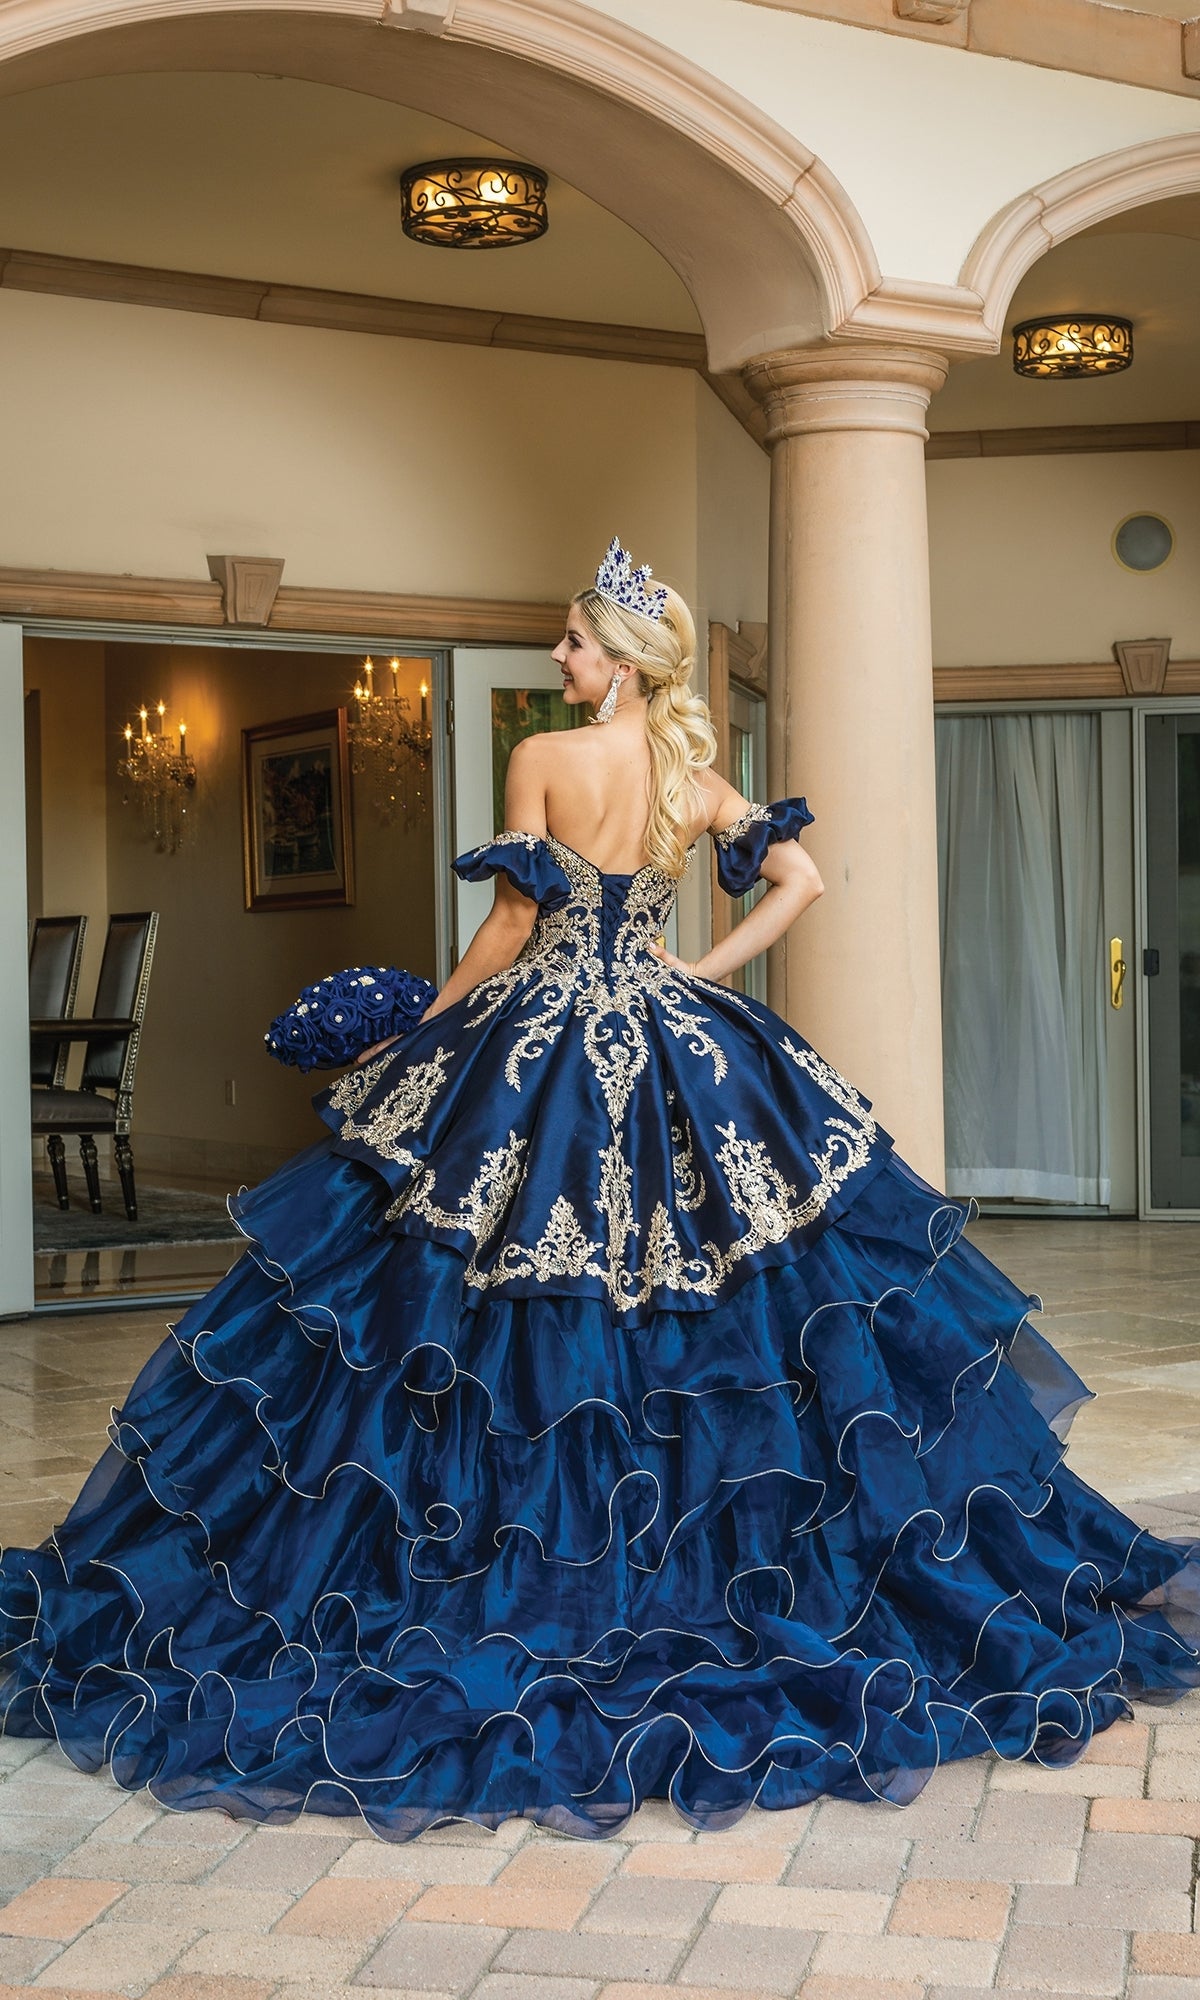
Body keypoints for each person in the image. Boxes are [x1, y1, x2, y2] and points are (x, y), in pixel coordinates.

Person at [2, 537, 1196, 1841]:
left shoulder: (544, 761)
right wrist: (702, 974)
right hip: (681, 1043)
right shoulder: (688, 773)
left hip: (547, 1045)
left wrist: (425, 1033)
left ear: (620, 663)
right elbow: (794, 875)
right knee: (733, 1305)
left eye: (575, 642)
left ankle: (523, 1562)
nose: (560, 657)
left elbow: (513, 927)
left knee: (476, 1300)